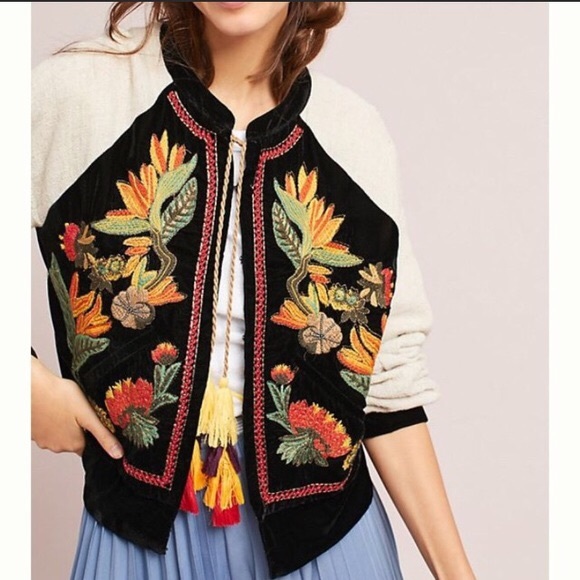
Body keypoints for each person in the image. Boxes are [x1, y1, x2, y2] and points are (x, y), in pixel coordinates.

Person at [31, 3, 476, 579]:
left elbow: (388, 385)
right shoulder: (77, 93)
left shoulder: (353, 134)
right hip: (134, 538)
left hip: (326, 546)